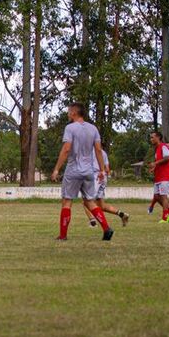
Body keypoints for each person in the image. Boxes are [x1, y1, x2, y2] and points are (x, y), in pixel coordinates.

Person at [51, 103, 112, 241]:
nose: (68, 114)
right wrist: (102, 169)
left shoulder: (70, 128)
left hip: (73, 170)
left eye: (68, 111)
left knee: (67, 201)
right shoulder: (93, 129)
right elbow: (98, 150)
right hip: (89, 171)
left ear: (74, 113)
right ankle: (106, 228)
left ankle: (63, 235)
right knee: (90, 201)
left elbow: (66, 149)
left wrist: (56, 169)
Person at [82, 147, 130, 228]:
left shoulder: (88, 150)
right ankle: (122, 214)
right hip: (103, 177)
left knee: (86, 201)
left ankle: (93, 223)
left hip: (95, 177)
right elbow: (107, 169)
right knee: (101, 206)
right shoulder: (103, 152)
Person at [148, 130, 169, 222]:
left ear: (158, 137)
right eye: (151, 137)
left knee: (164, 197)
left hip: (165, 177)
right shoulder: (157, 149)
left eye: (152, 137)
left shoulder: (163, 146)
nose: (151, 139)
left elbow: (168, 157)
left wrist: (155, 163)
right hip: (159, 177)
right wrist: (154, 167)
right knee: (157, 196)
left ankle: (164, 218)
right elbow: (161, 162)